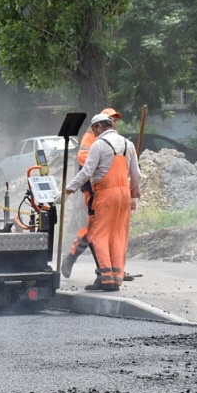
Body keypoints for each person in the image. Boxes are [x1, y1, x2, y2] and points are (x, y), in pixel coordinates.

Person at [65, 113, 141, 291]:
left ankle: (106, 279)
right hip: (124, 195)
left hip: (106, 194)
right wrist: (133, 194)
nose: (94, 132)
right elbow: (136, 175)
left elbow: (86, 171)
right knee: (118, 235)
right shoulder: (128, 144)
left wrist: (68, 190)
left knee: (99, 235)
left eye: (94, 129)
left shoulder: (99, 144)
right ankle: (116, 278)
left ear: (99, 127)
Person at [61, 108, 121, 279]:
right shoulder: (91, 137)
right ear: (102, 123)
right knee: (95, 229)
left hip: (108, 189)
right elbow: (83, 158)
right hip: (94, 189)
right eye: (112, 119)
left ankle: (109, 269)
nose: (115, 123)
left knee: (104, 230)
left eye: (116, 120)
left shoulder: (114, 140)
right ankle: (100, 269)